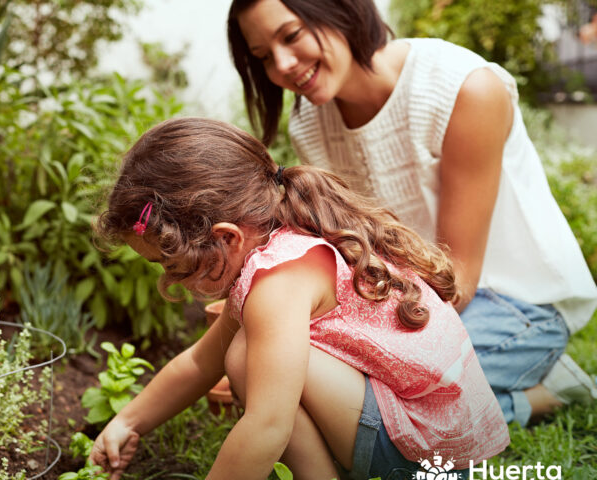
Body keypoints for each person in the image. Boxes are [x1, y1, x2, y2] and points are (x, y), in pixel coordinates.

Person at [227, 0, 597, 427]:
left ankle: (543, 395)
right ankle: (530, 395)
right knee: (332, 390)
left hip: (517, 303)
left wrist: (369, 355)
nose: (283, 65)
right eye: (263, 58)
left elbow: (458, 278)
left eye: (291, 36)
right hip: (416, 298)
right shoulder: (310, 122)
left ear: (340, 10)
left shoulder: (463, 88)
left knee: (367, 405)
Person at [91, 117, 509, 480]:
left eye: (173, 266)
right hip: (444, 441)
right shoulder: (285, 240)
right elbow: (201, 362)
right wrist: (128, 421)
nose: (171, 281)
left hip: (430, 459)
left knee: (244, 358)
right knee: (240, 352)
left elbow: (267, 426)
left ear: (226, 237)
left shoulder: (278, 283)